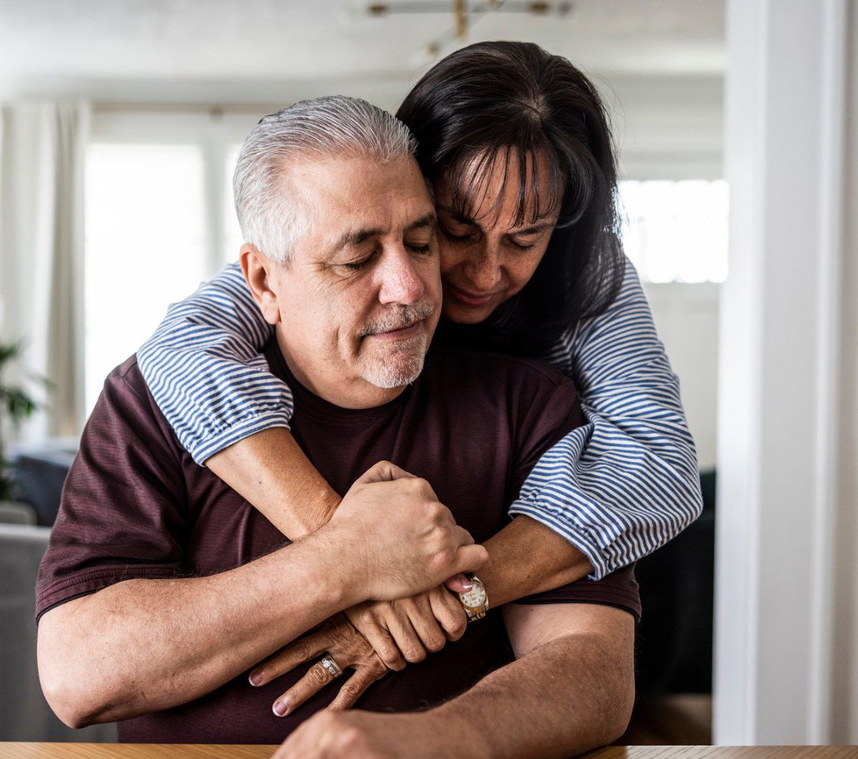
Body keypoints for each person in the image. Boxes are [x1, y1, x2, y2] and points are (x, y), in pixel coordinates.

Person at [37, 96, 638, 759]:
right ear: (265, 281)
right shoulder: (153, 397)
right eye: (357, 258)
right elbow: (77, 675)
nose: (410, 287)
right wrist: (343, 561)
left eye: (423, 243)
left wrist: (448, 742)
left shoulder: (529, 402)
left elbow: (596, 671)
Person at [135, 41, 701, 682]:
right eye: (454, 232)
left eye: (524, 239)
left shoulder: (587, 270)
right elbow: (182, 349)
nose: (484, 274)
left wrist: (442, 596)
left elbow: (659, 460)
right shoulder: (308, 265)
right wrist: (351, 551)